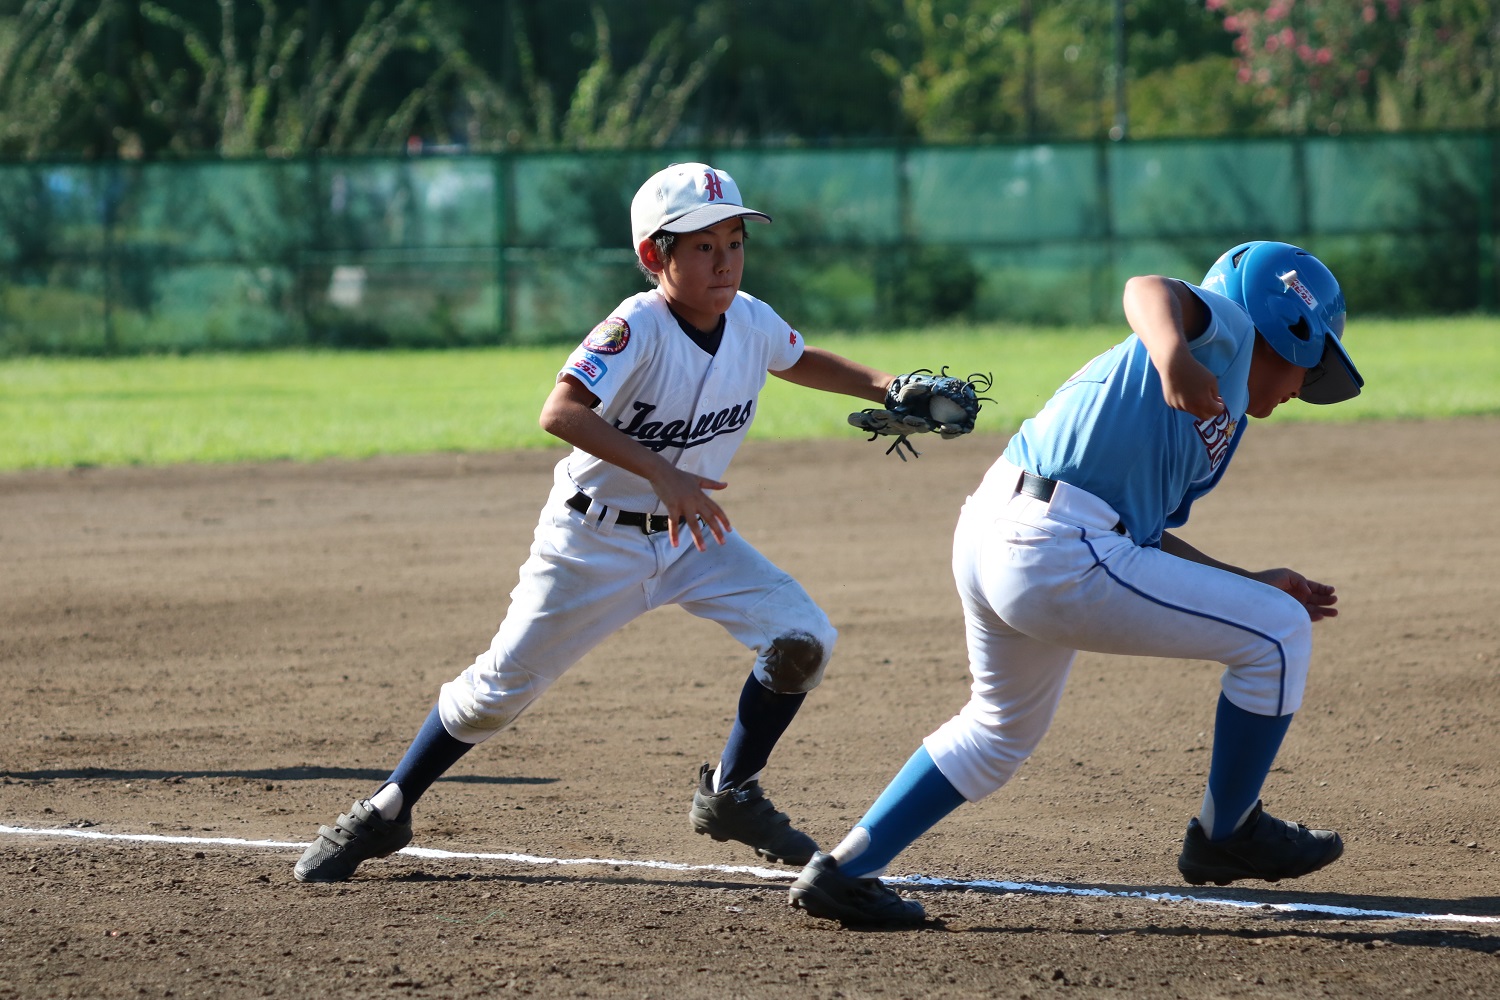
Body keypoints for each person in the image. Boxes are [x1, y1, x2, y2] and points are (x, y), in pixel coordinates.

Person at [293, 162, 937, 882]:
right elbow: (560, 411)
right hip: (591, 541)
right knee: (492, 698)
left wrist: (890, 385)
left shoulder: (749, 318)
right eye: (701, 245)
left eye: (734, 240)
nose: (724, 259)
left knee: (804, 638)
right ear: (653, 256)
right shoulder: (636, 326)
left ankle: (730, 792)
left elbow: (797, 356)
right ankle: (387, 807)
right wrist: (665, 473)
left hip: (691, 541)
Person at [787, 241, 1364, 924]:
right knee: (1278, 636)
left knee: (998, 730)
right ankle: (1227, 835)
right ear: (1286, 329)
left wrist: (1246, 580)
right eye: (1313, 361)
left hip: (1002, 530)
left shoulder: (1218, 411)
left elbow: (1139, 537)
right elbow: (1148, 288)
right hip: (1053, 545)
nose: (1306, 384)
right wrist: (1173, 353)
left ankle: (842, 871)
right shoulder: (1229, 332)